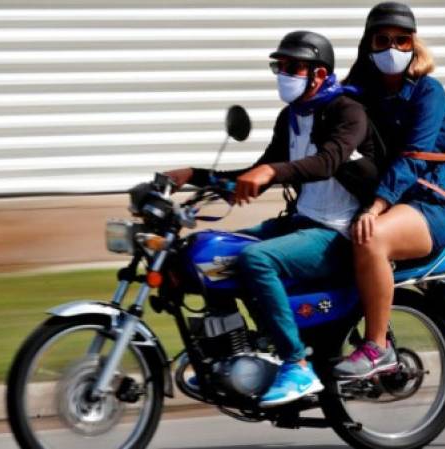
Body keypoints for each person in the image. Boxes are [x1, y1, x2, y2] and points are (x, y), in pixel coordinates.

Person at [165, 31, 384, 407]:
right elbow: (255, 171)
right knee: (214, 252)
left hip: (340, 232)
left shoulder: (348, 112)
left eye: (292, 66)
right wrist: (193, 175)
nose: (283, 73)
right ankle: (229, 358)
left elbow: (327, 162)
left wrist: (271, 173)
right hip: (303, 223)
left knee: (257, 259)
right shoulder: (291, 118)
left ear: (318, 74)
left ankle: (296, 364)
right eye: (279, 66)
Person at [333, 2, 445, 378]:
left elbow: (413, 159)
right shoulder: (359, 94)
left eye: (402, 40)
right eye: (383, 39)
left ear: (413, 44)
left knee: (369, 238)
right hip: (388, 201)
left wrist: (375, 207)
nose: (393, 48)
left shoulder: (429, 92)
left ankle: (377, 347)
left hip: (431, 200)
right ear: (369, 45)